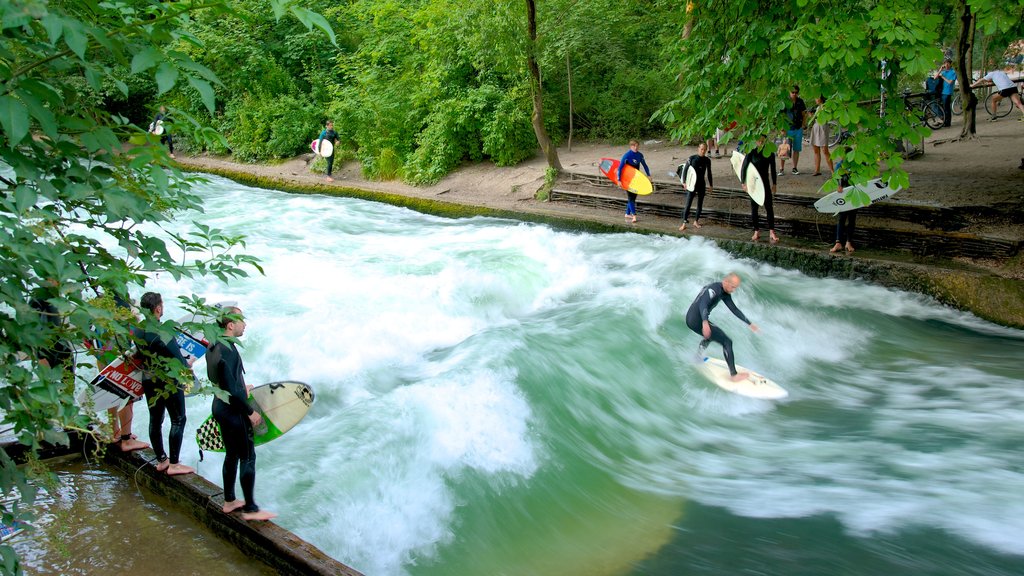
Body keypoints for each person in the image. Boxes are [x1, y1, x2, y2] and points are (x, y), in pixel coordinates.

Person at [207, 305, 277, 521]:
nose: (244, 324)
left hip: (219, 406)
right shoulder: (228, 349)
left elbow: (222, 380)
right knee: (247, 456)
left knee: (231, 455)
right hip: (234, 410)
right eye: (241, 321)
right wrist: (250, 412)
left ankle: (229, 501)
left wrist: (241, 388)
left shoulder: (214, 345)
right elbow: (231, 389)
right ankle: (251, 510)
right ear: (230, 325)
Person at [137, 292, 194, 475]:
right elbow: (178, 360)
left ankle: (162, 460)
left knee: (156, 419)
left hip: (148, 379)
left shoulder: (137, 330)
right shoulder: (164, 332)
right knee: (178, 419)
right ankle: (175, 464)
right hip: (168, 381)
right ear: (158, 309)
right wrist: (188, 365)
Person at [685, 273, 760, 382]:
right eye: (733, 287)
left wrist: (749, 323)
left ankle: (697, 357)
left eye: (735, 287)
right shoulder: (714, 290)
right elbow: (703, 304)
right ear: (726, 282)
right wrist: (705, 323)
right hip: (696, 320)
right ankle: (733, 376)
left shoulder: (724, 292)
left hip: (695, 318)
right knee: (727, 342)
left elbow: (734, 309)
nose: (733, 290)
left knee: (710, 335)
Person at [740, 136, 780, 244]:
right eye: (759, 140)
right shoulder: (751, 152)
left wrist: (774, 184)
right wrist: (743, 183)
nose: (760, 142)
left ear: (765, 141)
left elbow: (773, 169)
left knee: (769, 207)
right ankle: (756, 231)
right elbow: (743, 167)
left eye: (763, 140)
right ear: (755, 141)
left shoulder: (769, 152)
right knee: (754, 208)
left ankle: (772, 231)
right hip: (753, 184)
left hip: (765, 183)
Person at [678, 142, 713, 231]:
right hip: (691, 184)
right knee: (688, 204)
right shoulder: (692, 158)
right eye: (701, 149)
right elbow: (685, 169)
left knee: (700, 204)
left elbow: (709, 173)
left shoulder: (707, 160)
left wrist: (711, 185)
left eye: (705, 150)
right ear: (698, 149)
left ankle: (696, 221)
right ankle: (684, 223)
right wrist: (684, 182)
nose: (703, 151)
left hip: (701, 184)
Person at [617, 139, 650, 224]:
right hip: (627, 179)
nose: (636, 147)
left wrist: (648, 175)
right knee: (631, 197)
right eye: (634, 146)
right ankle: (634, 215)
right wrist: (619, 180)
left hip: (636, 179)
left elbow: (645, 166)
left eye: (637, 146)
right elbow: (620, 168)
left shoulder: (639, 155)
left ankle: (627, 214)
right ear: (631, 146)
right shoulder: (627, 156)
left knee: (633, 197)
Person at [830, 153, 857, 254]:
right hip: (843, 195)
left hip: (854, 194)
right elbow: (837, 178)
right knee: (841, 218)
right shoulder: (839, 165)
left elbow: (863, 180)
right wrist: (839, 186)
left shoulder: (857, 164)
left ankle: (848, 242)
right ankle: (838, 243)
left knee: (852, 218)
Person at [779, 85, 807, 175]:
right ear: (789, 92)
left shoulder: (800, 101)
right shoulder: (785, 102)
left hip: (798, 128)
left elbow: (804, 114)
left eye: (796, 92)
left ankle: (794, 168)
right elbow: (781, 116)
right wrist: (782, 128)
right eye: (793, 92)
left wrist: (803, 124)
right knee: (784, 148)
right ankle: (781, 169)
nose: (794, 94)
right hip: (788, 128)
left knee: (796, 149)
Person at [808, 95, 834, 176]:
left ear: (821, 98)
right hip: (816, 127)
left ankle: (832, 171)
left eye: (817, 98)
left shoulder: (826, 107)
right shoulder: (818, 108)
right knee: (816, 149)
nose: (815, 99)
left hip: (822, 128)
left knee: (825, 150)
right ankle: (817, 170)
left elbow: (827, 118)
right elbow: (815, 119)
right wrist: (811, 116)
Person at [937, 60, 957, 127]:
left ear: (950, 64)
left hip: (948, 92)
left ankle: (948, 123)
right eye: (945, 64)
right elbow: (935, 77)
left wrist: (942, 77)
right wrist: (940, 69)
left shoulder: (953, 72)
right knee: (943, 108)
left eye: (948, 64)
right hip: (942, 92)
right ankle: (945, 121)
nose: (946, 65)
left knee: (947, 108)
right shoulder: (944, 71)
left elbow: (950, 82)